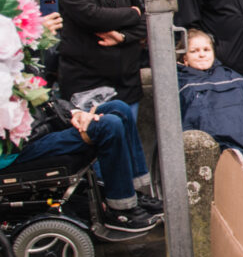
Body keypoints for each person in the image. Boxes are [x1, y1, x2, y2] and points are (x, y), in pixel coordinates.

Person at [5, 94, 159, 232]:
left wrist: (74, 113)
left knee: (119, 108)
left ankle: (132, 195)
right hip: (18, 146)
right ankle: (120, 211)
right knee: (108, 125)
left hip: (38, 125)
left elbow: (44, 97)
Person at [178, 28, 243, 168]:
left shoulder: (233, 77)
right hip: (205, 153)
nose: (201, 55)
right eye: (194, 51)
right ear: (184, 58)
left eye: (206, 50)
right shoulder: (182, 82)